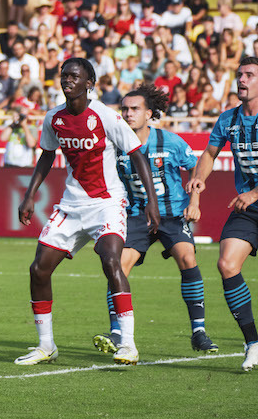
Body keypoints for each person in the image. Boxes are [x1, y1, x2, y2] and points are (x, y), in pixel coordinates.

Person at [15, 58, 160, 367]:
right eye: (64, 75)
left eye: (74, 76)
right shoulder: (53, 118)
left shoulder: (106, 116)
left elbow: (137, 155)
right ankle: (46, 346)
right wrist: (29, 195)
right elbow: (46, 156)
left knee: (111, 260)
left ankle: (128, 344)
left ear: (89, 83)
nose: (67, 80)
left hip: (107, 203)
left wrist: (152, 201)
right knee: (38, 269)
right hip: (71, 205)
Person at [88, 86, 218, 356]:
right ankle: (117, 332)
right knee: (118, 267)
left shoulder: (170, 141)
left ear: (149, 114)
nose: (128, 113)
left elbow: (195, 167)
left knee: (187, 258)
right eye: (125, 109)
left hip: (172, 213)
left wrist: (194, 202)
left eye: (135, 109)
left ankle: (199, 332)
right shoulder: (114, 144)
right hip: (137, 215)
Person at [185, 57, 258, 371]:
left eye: (249, 75)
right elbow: (209, 153)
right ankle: (253, 343)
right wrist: (199, 180)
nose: (242, 79)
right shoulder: (229, 118)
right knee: (227, 264)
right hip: (248, 209)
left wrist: (254, 193)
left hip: (250, 198)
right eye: (239, 74)